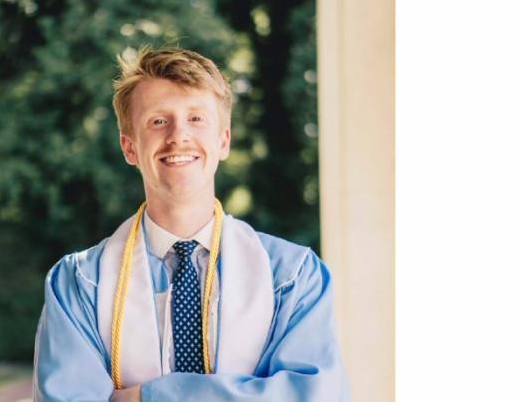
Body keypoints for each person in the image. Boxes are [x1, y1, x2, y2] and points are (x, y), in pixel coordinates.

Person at [33, 47, 349, 401]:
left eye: (196, 118)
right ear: (129, 147)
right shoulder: (79, 284)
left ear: (223, 141)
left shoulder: (292, 277)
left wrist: (148, 397)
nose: (178, 136)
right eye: (158, 121)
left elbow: (317, 396)